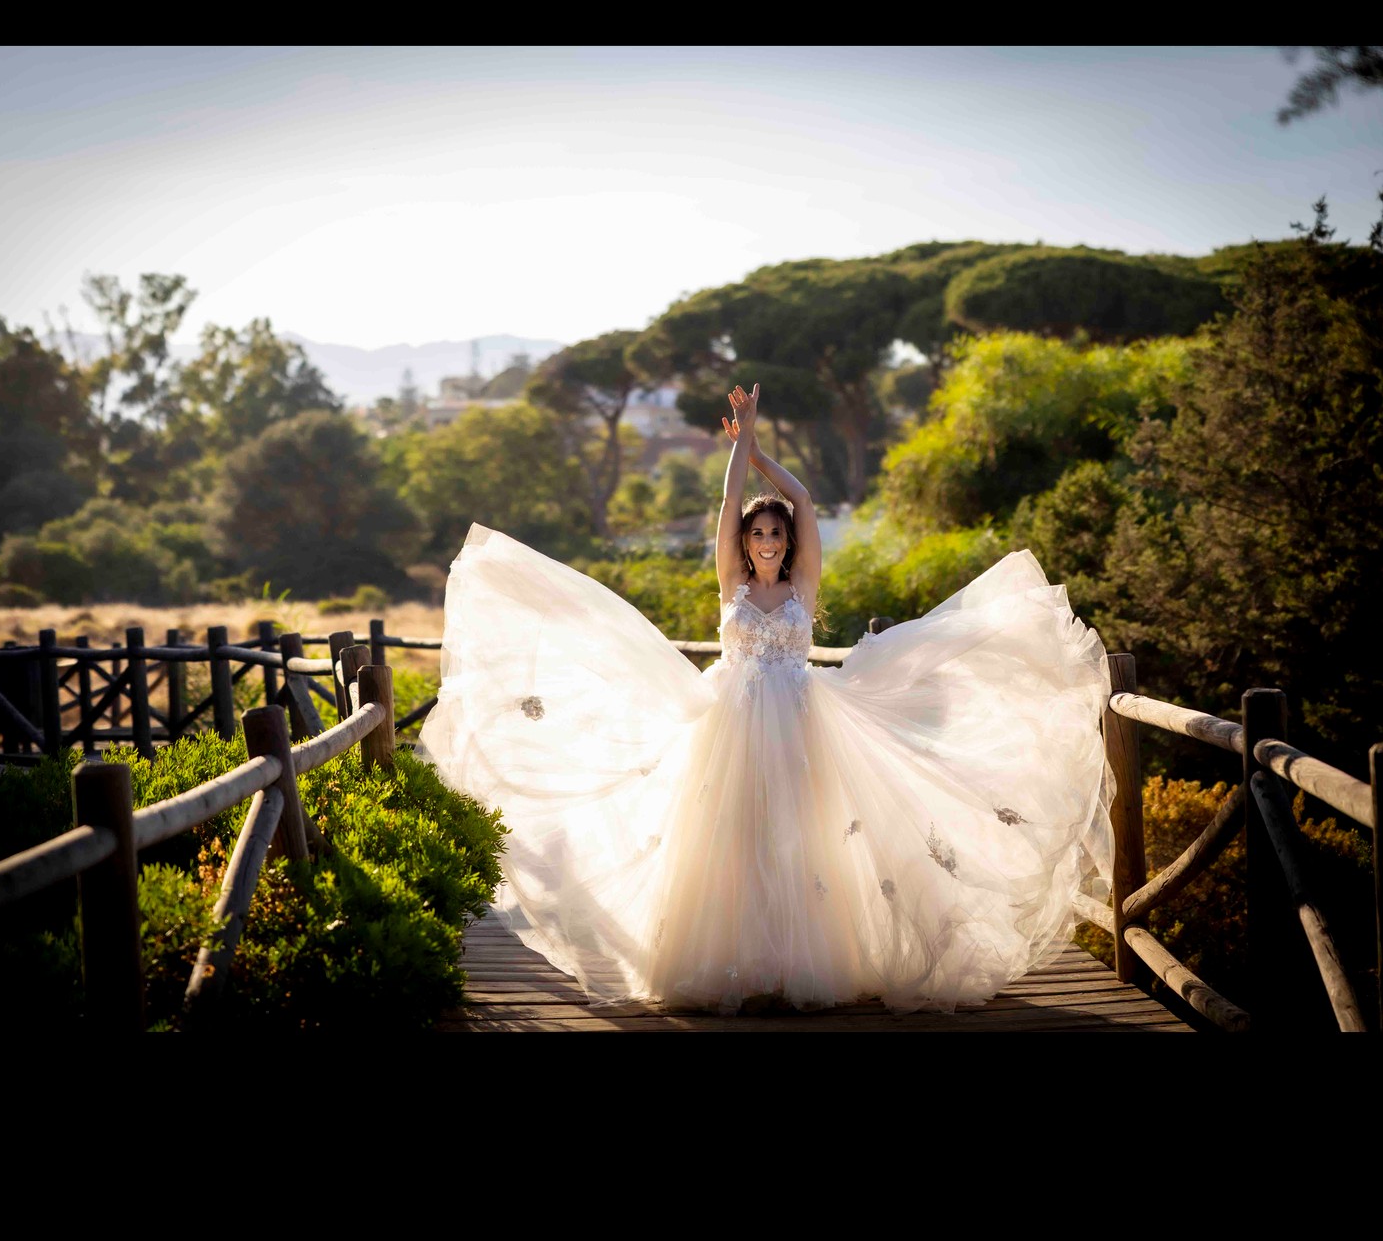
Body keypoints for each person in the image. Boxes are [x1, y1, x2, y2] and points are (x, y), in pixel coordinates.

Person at [421, 383, 1114, 1014]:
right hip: (733, 725)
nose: (768, 543)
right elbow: (725, 507)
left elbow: (807, 502)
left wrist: (762, 462)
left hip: (804, 724)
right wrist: (739, 448)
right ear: (745, 545)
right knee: (734, 838)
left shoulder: (803, 589)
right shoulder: (732, 588)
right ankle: (737, 964)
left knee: (801, 839)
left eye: (775, 534)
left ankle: (794, 964)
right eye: (758, 535)